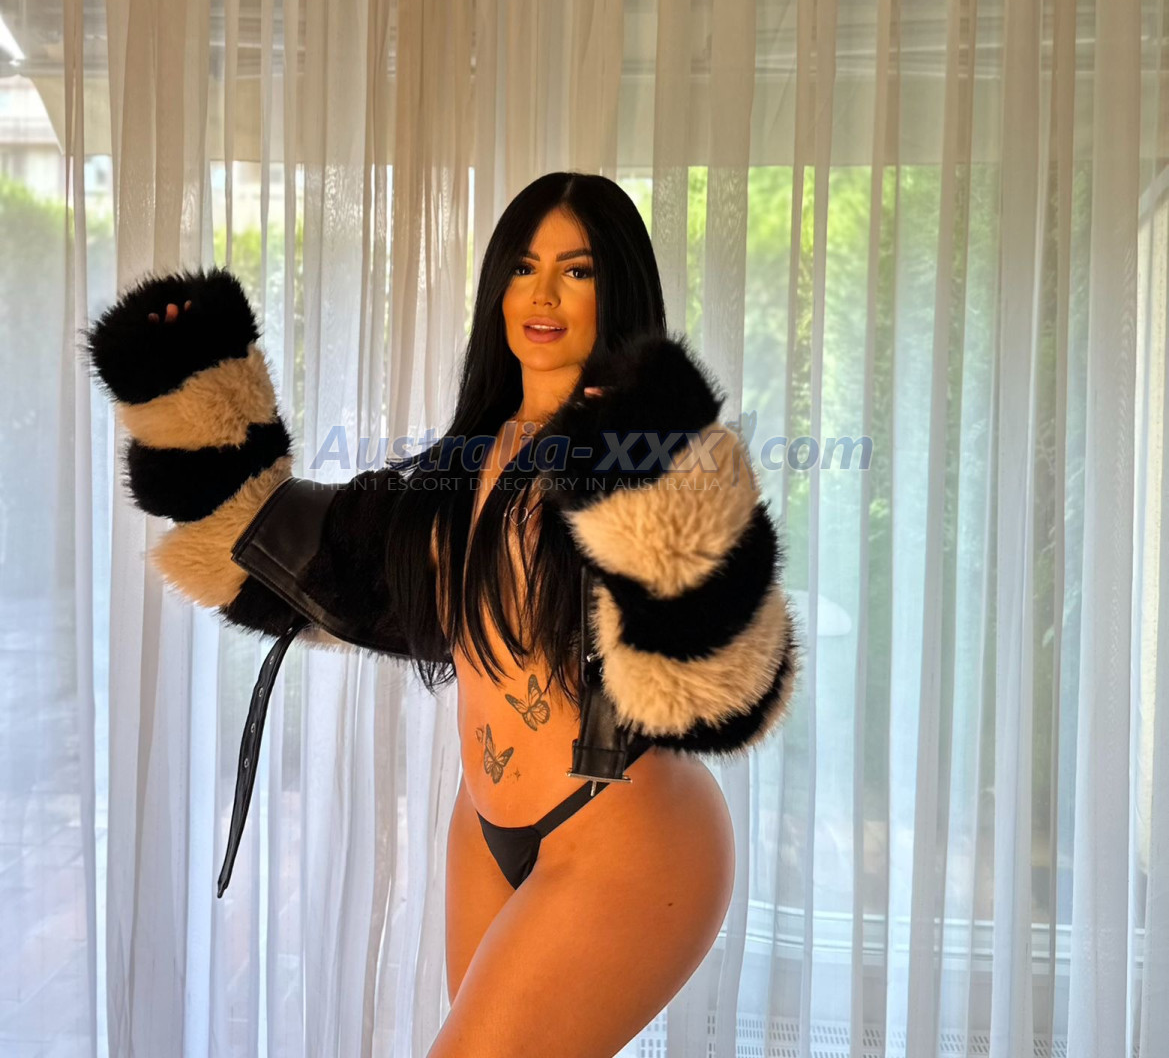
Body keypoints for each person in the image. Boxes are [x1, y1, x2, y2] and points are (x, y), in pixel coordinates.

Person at [84, 170, 800, 1058]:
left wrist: (657, 454)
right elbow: (285, 548)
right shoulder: (464, 465)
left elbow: (726, 682)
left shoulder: (648, 454)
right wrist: (192, 380)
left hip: (626, 827)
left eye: (576, 271)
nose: (542, 295)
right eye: (523, 267)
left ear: (616, 287)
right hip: (485, 826)